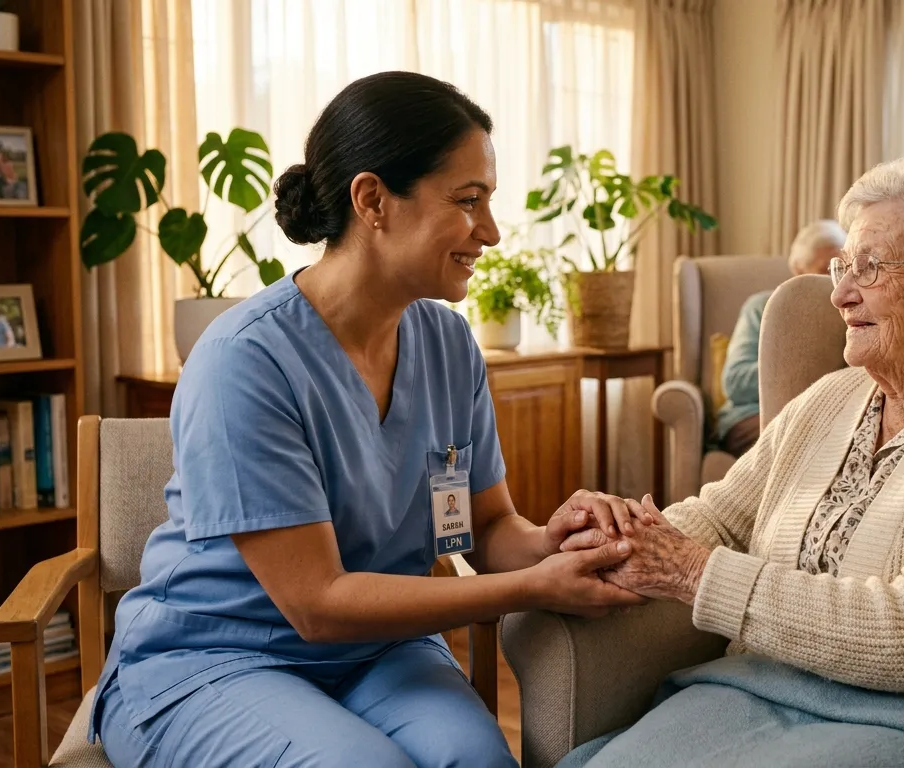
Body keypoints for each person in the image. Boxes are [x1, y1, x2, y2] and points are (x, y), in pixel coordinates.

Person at [88, 71, 655, 768]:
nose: (493, 232)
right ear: (372, 200)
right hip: (216, 658)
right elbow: (317, 603)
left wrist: (554, 543)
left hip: (378, 652)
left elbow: (482, 527)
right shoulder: (245, 361)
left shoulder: (449, 347)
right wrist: (531, 588)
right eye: (468, 201)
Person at [560, 156, 904, 760]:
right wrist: (617, 536)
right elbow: (722, 517)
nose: (840, 293)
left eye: (871, 269)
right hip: (753, 692)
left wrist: (693, 571)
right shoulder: (831, 398)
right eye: (843, 266)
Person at [713, 219, 845, 456]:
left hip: (821, 415)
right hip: (753, 414)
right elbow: (735, 382)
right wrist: (804, 372)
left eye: (841, 269)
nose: (836, 282)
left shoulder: (849, 312)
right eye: (825, 270)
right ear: (797, 269)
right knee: (807, 438)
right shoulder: (761, 307)